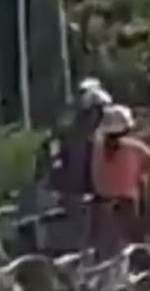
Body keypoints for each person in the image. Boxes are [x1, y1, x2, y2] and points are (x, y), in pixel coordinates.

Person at [44, 79, 112, 251]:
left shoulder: (103, 133)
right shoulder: (68, 133)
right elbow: (56, 161)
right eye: (97, 111)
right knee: (82, 238)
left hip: (98, 192)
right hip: (77, 192)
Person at [91, 104, 150, 257]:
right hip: (126, 203)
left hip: (100, 202)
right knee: (138, 241)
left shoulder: (98, 147)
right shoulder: (133, 146)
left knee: (103, 246)